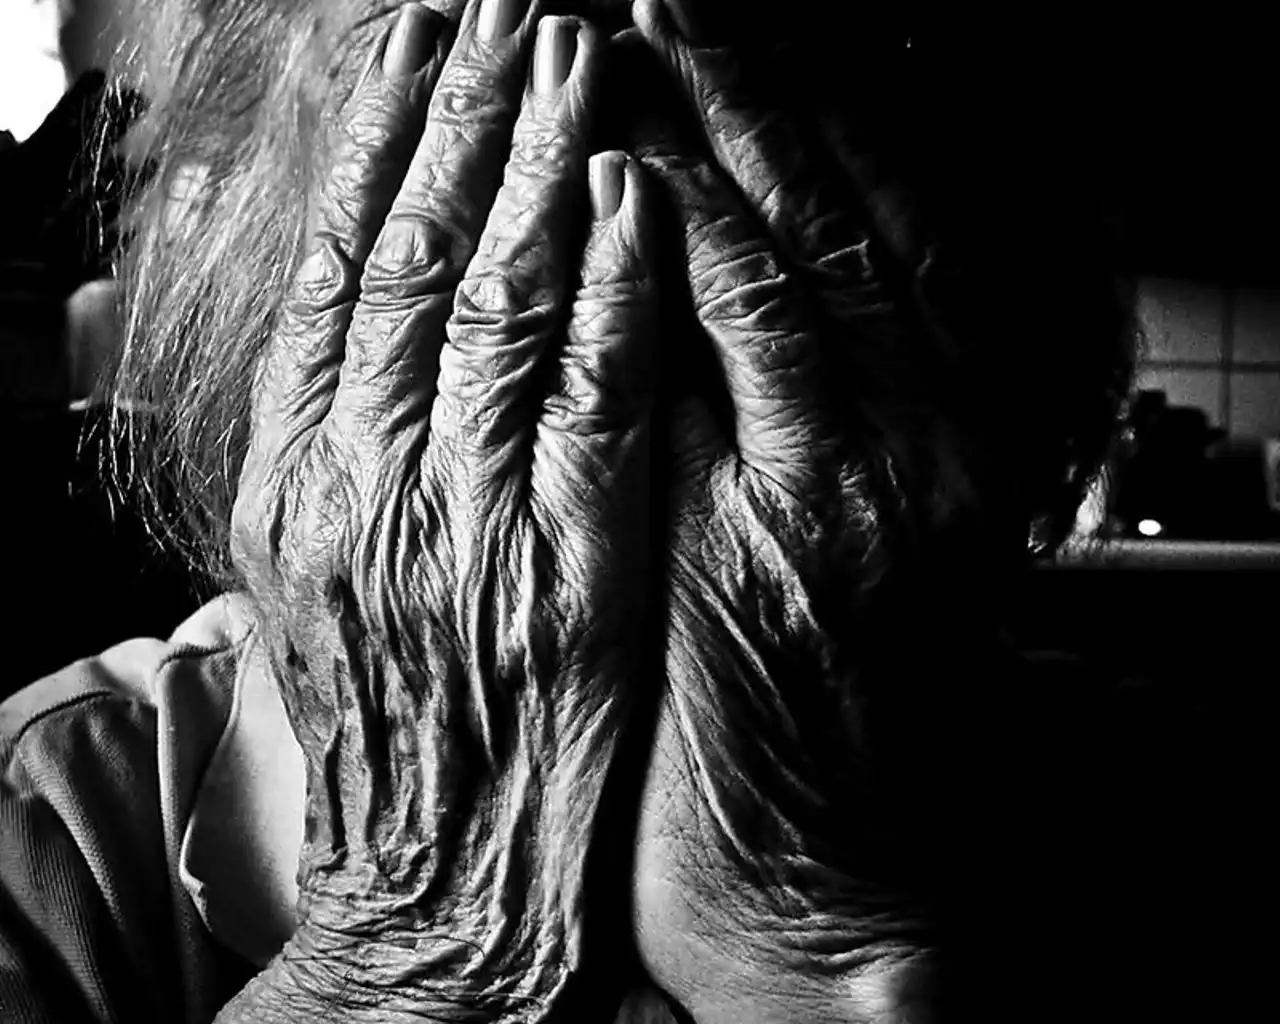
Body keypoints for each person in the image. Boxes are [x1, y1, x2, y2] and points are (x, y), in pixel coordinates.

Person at [5, 2, 1250, 1023]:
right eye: (465, 111)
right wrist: (410, 941)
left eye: (732, 153)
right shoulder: (45, 830)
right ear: (274, 265)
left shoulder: (1180, 823)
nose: (602, 272)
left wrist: (814, 952)